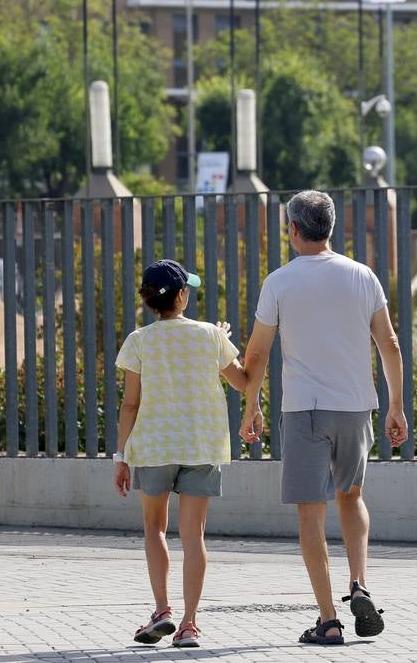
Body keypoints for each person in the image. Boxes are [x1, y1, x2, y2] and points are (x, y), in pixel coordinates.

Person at [239, 190, 409, 647]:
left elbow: (256, 355)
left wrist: (251, 404)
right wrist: (395, 404)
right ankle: (359, 583)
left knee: (310, 514)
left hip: (305, 408)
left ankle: (329, 619)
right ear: (330, 227)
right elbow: (389, 344)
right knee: (351, 497)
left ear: (293, 229)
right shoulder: (362, 276)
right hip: (357, 405)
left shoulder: (279, 282)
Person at [113, 259, 248, 650]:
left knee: (155, 530)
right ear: (183, 295)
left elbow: (129, 406)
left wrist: (121, 456)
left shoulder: (139, 340)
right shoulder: (210, 335)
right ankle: (189, 624)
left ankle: (162, 610)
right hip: (201, 446)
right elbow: (240, 381)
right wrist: (223, 342)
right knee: (194, 537)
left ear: (150, 301)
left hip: (154, 447)